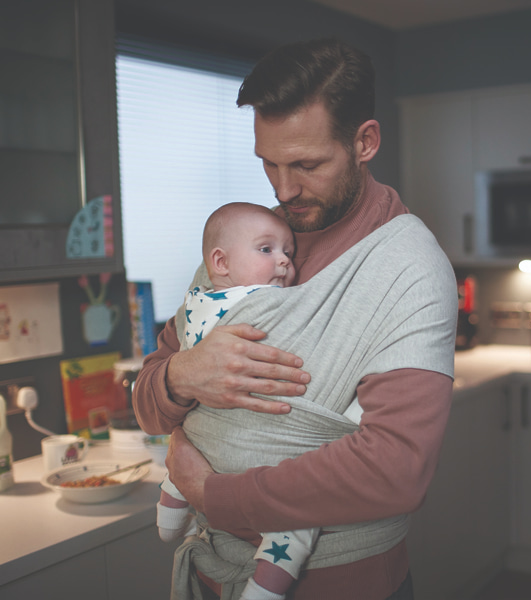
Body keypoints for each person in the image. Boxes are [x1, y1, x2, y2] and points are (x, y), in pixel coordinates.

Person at [133, 37, 458, 600]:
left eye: (306, 164)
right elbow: (148, 397)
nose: (283, 189)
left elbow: (395, 469)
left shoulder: (411, 268)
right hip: (212, 572)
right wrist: (183, 375)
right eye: (268, 162)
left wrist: (214, 495)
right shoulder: (248, 242)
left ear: (365, 142)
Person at [157, 201, 332, 600]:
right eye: (267, 250)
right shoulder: (261, 300)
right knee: (297, 522)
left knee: (191, 444)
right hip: (235, 437)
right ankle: (266, 584)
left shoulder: (198, 301)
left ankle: (174, 501)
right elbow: (158, 379)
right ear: (220, 261)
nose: (284, 262)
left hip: (242, 438)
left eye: (288, 251)